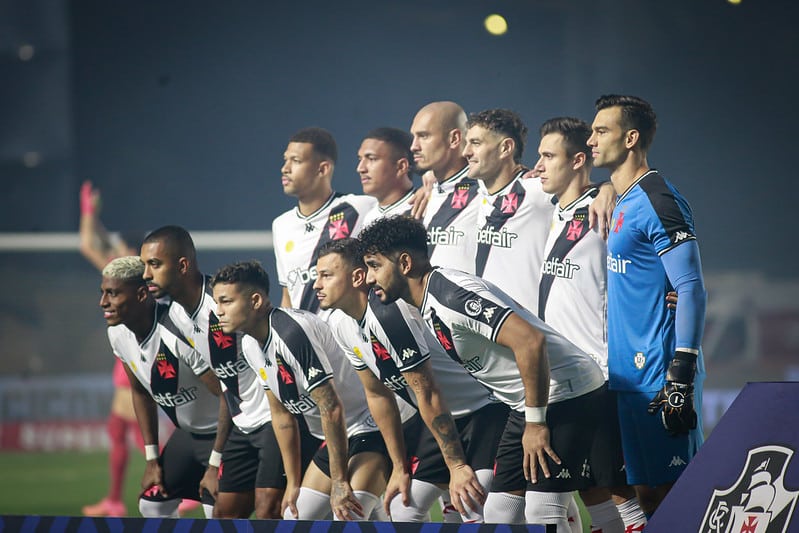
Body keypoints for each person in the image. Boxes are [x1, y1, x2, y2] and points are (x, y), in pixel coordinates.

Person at [358, 216, 621, 531]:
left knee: (542, 508)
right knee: (499, 513)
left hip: (566, 392)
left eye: (375, 266)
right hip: (527, 403)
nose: (369, 278)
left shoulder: (450, 298)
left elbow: (531, 341)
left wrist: (536, 423)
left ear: (404, 263)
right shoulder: (429, 302)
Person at [313, 238, 508, 522]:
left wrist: (455, 466)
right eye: (317, 276)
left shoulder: (388, 314)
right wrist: (398, 467)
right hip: (439, 419)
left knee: (475, 506)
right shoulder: (340, 323)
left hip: (484, 412)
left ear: (356, 278)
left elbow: (427, 391)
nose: (317, 285)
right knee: (403, 510)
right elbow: (378, 396)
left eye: (326, 275)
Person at [211, 260, 417, 520]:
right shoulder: (251, 345)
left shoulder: (292, 333)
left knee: (347, 514)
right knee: (295, 517)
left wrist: (340, 482)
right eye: (217, 302)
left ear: (255, 301)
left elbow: (331, 408)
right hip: (337, 438)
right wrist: (293, 482)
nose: (218, 311)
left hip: (372, 428)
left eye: (226, 302)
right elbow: (282, 417)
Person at [587, 95, 707, 516]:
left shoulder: (659, 199)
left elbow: (691, 287)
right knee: (647, 496)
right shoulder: (622, 198)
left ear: (631, 137)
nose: (591, 139)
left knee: (677, 497)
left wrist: (681, 373)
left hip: (659, 372)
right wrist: (604, 188)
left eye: (602, 131)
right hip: (627, 372)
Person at [534, 117, 647, 532]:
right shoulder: (549, 210)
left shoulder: (607, 209)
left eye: (549, 156)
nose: (539, 165)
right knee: (590, 490)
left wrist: (606, 188)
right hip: (562, 378)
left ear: (578, 159)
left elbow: (647, 257)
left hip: (599, 373)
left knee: (616, 489)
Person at [140, 225, 283, 519]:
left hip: (275, 417)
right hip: (242, 423)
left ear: (182, 266)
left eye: (154, 264)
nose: (146, 275)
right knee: (223, 517)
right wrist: (215, 461)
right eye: (145, 265)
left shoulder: (223, 303)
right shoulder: (177, 317)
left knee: (273, 512)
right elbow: (223, 387)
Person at [100, 256, 226, 518]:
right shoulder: (117, 334)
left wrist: (215, 463)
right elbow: (140, 392)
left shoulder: (177, 331)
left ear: (142, 294)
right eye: (103, 293)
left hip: (225, 437)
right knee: (152, 504)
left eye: (113, 294)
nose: (104, 303)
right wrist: (151, 460)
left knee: (217, 510)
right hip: (187, 436)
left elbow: (227, 394)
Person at [79, 181, 143, 517]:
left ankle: (184, 485)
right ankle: (115, 499)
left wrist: (88, 212)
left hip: (132, 353)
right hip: (132, 351)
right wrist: (96, 218)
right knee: (120, 427)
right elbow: (102, 241)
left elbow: (90, 246)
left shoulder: (127, 273)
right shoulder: (143, 271)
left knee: (137, 427)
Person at [272, 127, 376, 313]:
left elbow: (402, 203)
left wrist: (428, 183)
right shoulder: (281, 225)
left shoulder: (359, 207)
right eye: (285, 160)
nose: (285, 168)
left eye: (295, 161)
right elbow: (288, 294)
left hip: (348, 337)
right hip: (306, 338)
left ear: (323, 169)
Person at [410, 101, 482, 274]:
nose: (414, 146)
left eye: (424, 136)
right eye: (413, 136)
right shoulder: (425, 195)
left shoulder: (484, 189)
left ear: (454, 139)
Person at [357, 127, 418, 227]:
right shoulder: (369, 216)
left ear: (401, 167)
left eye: (372, 159)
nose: (360, 168)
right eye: (360, 159)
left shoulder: (423, 209)